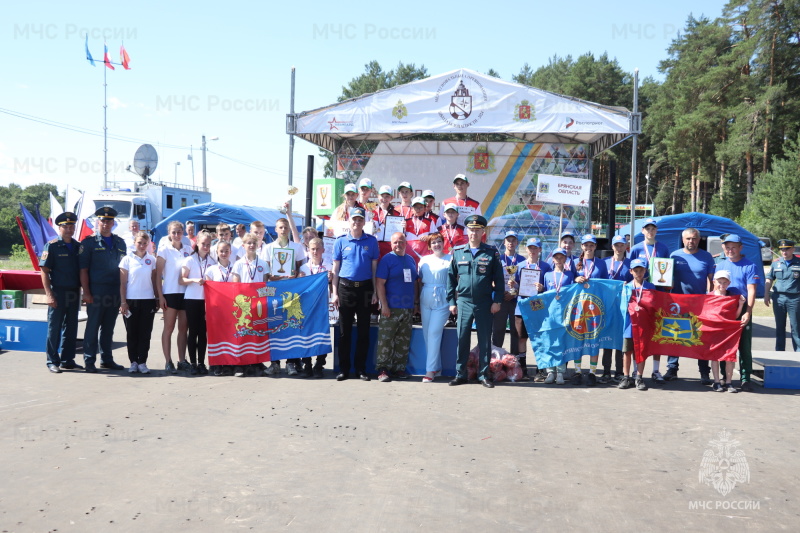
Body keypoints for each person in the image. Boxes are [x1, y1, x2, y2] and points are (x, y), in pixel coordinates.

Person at [447, 215, 503, 388]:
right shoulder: (458, 252)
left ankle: (483, 375)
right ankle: (460, 374)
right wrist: (451, 301)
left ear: (482, 232)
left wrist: (497, 301)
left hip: (485, 302)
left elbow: (499, 280)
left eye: (477, 230)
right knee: (462, 338)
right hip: (463, 302)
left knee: (485, 340)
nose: (474, 233)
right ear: (467, 231)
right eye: (471, 229)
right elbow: (450, 278)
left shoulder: (491, 252)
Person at [331, 207, 379, 382]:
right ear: (349, 221)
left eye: (360, 219)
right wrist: (334, 293)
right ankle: (344, 369)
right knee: (344, 332)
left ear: (364, 222)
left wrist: (374, 292)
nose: (357, 222)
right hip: (345, 289)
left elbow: (374, 269)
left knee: (364, 332)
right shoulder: (340, 242)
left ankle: (361, 369)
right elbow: (335, 270)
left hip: (365, 289)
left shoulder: (372, 241)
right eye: (354, 219)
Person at [79, 207, 128, 373]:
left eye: (109, 221)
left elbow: (124, 269)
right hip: (96, 291)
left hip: (114, 291)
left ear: (113, 223)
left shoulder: (120, 242)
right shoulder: (88, 243)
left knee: (108, 327)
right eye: (103, 221)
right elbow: (83, 269)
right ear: (97, 222)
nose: (106, 224)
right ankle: (89, 360)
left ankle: (106, 359)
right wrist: (86, 292)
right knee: (92, 327)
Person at [666, 228, 716, 383]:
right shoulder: (674, 256)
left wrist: (712, 299)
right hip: (678, 304)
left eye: (694, 238)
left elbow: (712, 281)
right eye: (688, 239)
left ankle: (704, 371)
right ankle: (672, 369)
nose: (691, 241)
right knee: (675, 336)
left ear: (699, 239)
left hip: (700, 305)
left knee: (701, 338)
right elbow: (666, 279)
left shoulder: (706, 257)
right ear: (683, 239)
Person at [627, 218, 669, 384]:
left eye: (653, 228)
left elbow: (668, 269)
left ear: (656, 230)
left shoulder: (663, 248)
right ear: (642, 231)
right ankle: (637, 370)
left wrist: (668, 285)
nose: (650, 231)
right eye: (647, 228)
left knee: (656, 333)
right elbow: (630, 269)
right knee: (639, 333)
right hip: (639, 296)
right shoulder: (637, 248)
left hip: (656, 294)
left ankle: (656, 370)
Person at [40, 212, 83, 373]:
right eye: (66, 226)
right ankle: (52, 360)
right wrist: (49, 294)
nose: (69, 229)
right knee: (54, 327)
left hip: (74, 292)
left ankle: (67, 360)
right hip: (57, 292)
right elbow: (44, 271)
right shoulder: (51, 245)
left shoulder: (78, 246)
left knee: (71, 327)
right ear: (59, 228)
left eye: (72, 226)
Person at [716, 234, 759, 392]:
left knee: (744, 346)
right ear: (723, 248)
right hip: (724, 313)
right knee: (723, 346)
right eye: (727, 247)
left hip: (742, 311)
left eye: (734, 247)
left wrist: (748, 311)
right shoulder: (720, 266)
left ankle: (745, 378)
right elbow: (715, 289)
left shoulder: (749, 265)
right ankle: (723, 376)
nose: (730, 250)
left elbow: (751, 290)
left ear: (741, 248)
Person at [264, 217, 306, 376]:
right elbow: (265, 273)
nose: (283, 230)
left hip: (292, 292)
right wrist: (271, 276)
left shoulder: (297, 247)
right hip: (274, 292)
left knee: (291, 326)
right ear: (275, 229)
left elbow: (303, 269)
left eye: (285, 228)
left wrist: (296, 275)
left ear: (289, 229)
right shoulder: (268, 248)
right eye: (280, 227)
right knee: (274, 327)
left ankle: (291, 363)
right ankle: (274, 363)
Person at [375, 232, 419, 382]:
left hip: (407, 308)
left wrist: (415, 304)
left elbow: (414, 283)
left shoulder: (411, 260)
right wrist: (384, 306)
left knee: (403, 341)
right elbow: (379, 283)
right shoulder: (387, 260)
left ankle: (398, 369)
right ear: (391, 244)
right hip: (391, 308)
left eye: (401, 242)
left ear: (406, 243)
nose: (398, 245)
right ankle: (383, 369)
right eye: (395, 242)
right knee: (386, 340)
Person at [510, 237, 551, 380]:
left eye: (536, 248)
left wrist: (543, 288)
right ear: (526, 249)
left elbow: (550, 287)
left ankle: (541, 370)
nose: (533, 251)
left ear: (540, 250)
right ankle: (523, 369)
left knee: (539, 339)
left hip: (538, 308)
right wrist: (513, 285)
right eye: (530, 248)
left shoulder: (546, 267)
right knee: (521, 338)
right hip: (522, 307)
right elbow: (516, 286)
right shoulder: (520, 265)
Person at [571, 234, 610, 385]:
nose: (589, 248)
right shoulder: (575, 262)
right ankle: (577, 372)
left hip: (595, 307)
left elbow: (606, 284)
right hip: (578, 307)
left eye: (591, 245)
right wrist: (575, 279)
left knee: (594, 339)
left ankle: (592, 373)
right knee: (577, 339)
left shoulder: (601, 263)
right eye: (586, 245)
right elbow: (568, 281)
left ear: (595, 247)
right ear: (581, 246)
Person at [156, 220, 193, 375]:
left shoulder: (189, 249)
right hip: (170, 293)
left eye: (179, 232)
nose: (177, 235)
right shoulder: (164, 250)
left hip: (186, 293)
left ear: (183, 232)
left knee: (183, 329)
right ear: (169, 234)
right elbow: (157, 275)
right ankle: (168, 361)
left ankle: (181, 360)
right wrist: (160, 297)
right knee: (169, 328)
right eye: (174, 232)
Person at [230, 232, 270, 377]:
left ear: (258, 244)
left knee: (258, 333)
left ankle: (257, 361)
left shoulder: (263, 263)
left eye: (254, 243)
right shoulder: (239, 264)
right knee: (242, 333)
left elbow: (265, 284)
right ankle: (239, 364)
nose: (252, 245)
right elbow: (235, 287)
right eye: (249, 243)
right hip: (244, 305)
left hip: (258, 305)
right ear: (243, 246)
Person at [119, 231, 158, 374]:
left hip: (148, 300)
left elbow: (154, 281)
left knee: (145, 333)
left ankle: (142, 362)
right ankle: (133, 362)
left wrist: (157, 298)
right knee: (132, 332)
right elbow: (123, 283)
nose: (142, 245)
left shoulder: (152, 260)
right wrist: (123, 302)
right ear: (134, 243)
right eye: (139, 243)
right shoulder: (127, 259)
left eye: (145, 243)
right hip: (131, 301)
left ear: (148, 244)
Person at [180, 230, 217, 375]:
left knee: (203, 333)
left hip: (206, 301)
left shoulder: (213, 261)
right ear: (197, 243)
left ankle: (201, 362)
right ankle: (193, 363)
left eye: (208, 244)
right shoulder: (189, 259)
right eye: (203, 244)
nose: (206, 247)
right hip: (192, 299)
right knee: (193, 331)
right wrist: (194, 280)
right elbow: (181, 280)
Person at [417, 232, 452, 383]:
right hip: (426, 297)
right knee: (426, 334)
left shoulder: (450, 259)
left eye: (439, 241)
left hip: (443, 298)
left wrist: (453, 302)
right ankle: (437, 366)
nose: (436, 244)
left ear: (443, 243)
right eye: (433, 243)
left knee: (433, 332)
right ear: (429, 246)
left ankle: (430, 370)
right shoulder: (424, 260)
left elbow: (455, 281)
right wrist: (417, 302)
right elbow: (418, 281)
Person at [297, 237, 333, 378]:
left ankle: (319, 365)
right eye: (312, 249)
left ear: (323, 250)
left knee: (321, 336)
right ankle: (307, 365)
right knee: (306, 336)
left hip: (322, 307)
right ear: (308, 251)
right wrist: (300, 278)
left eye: (318, 249)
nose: (315, 251)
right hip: (307, 307)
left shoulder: (329, 267)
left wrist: (330, 279)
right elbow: (300, 288)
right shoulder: (304, 268)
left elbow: (333, 285)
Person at [618, 259, 654, 391]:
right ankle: (626, 377)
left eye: (641, 270)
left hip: (643, 325)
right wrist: (631, 309)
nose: (639, 273)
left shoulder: (650, 287)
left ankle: (639, 377)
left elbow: (653, 306)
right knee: (627, 351)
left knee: (641, 351)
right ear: (631, 271)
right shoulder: (626, 287)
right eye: (636, 270)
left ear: (645, 271)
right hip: (629, 324)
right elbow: (622, 307)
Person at [542, 248, 575, 384]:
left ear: (565, 259)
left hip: (564, 313)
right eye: (556, 257)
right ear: (553, 259)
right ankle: (550, 372)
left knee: (561, 343)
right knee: (549, 343)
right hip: (550, 314)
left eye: (562, 257)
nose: (559, 260)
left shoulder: (570, 275)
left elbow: (573, 294)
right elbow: (544, 294)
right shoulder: (547, 275)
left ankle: (560, 372)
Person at [602, 235, 631, 382]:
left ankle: (619, 371)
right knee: (607, 339)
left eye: (622, 245)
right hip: (607, 306)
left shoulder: (631, 264)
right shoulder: (605, 263)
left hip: (623, 307)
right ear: (612, 247)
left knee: (620, 339)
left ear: (626, 247)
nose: (619, 248)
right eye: (616, 245)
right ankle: (606, 371)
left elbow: (636, 283)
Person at [709, 270, 745, 392]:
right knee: (715, 357)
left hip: (728, 332)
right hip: (714, 331)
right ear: (714, 282)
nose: (722, 285)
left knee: (730, 356)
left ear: (729, 283)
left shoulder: (731, 298)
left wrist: (740, 305)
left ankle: (729, 382)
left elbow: (734, 316)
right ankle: (716, 381)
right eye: (719, 282)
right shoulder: (709, 296)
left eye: (724, 282)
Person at [492, 230, 525, 357]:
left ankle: (514, 360)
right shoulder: (497, 259)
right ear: (504, 242)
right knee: (498, 330)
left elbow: (526, 281)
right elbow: (491, 279)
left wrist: (515, 292)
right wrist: (498, 289)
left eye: (513, 240)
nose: (511, 243)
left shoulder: (522, 260)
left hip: (515, 300)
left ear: (517, 242)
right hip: (500, 298)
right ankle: (495, 359)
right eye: (508, 240)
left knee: (516, 331)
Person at [205, 240, 236, 376]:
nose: (224, 254)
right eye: (221, 251)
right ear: (216, 252)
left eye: (226, 251)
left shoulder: (236, 268)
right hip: (215, 309)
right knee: (216, 336)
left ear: (230, 252)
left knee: (230, 336)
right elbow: (207, 292)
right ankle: (216, 363)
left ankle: (229, 363)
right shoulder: (211, 270)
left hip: (231, 309)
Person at [764, 239, 800, 352]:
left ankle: (798, 352)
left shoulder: (798, 262)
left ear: (793, 249)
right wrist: (766, 294)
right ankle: (779, 352)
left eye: (787, 249)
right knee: (779, 327)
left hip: (794, 298)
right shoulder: (776, 263)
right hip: (778, 298)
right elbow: (769, 278)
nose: (784, 251)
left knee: (796, 327)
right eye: (782, 249)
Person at [373, 185, 401, 257]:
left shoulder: (396, 214)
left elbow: (399, 231)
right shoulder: (372, 212)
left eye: (387, 196)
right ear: (378, 196)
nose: (384, 199)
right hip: (375, 244)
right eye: (382, 196)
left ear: (391, 198)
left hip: (389, 245)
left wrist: (403, 226)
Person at [405, 196, 434, 262]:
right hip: (409, 253)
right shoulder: (405, 222)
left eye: (421, 207)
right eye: (416, 207)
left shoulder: (430, 222)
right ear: (412, 208)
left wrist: (428, 237)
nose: (418, 209)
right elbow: (401, 236)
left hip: (424, 254)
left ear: (424, 209)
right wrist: (403, 229)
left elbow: (436, 236)